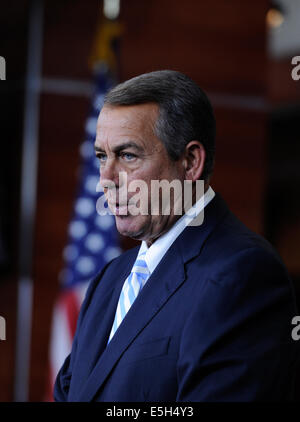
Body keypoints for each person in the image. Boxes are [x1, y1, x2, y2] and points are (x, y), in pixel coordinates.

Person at [54, 70, 299, 402]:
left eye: (128, 156)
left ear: (190, 162)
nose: (106, 179)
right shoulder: (108, 280)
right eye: (101, 157)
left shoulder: (242, 274)